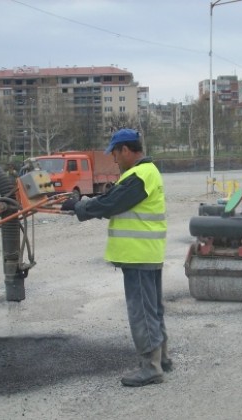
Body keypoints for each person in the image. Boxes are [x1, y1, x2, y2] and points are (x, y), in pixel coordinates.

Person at [61, 128, 170, 387]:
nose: (115, 160)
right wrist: (83, 203)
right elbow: (111, 198)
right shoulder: (141, 173)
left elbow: (112, 204)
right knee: (153, 309)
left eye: (116, 154)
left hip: (138, 254)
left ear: (126, 150)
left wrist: (80, 208)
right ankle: (162, 359)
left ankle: (150, 367)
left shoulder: (140, 174)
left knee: (142, 311)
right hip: (145, 253)